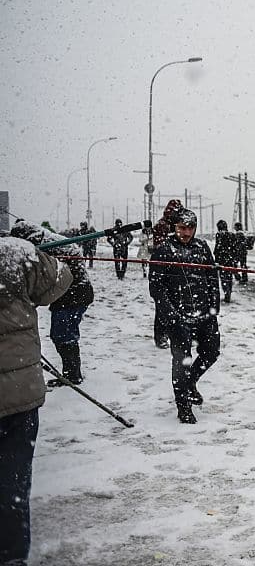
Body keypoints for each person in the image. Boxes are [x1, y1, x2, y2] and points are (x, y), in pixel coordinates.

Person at [0, 232, 72, 564]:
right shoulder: (14, 253)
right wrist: (28, 252)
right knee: (13, 482)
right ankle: (13, 554)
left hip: (19, 392)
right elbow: (61, 278)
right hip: (19, 391)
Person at [149, 209, 221, 424]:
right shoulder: (163, 251)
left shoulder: (202, 247)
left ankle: (190, 383)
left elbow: (211, 277)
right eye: (182, 228)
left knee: (211, 353)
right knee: (182, 362)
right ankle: (184, 406)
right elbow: (156, 287)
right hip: (178, 316)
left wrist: (213, 308)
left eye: (190, 228)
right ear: (174, 228)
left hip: (204, 314)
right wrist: (171, 315)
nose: (186, 232)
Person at [11, 221, 95, 386]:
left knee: (63, 334)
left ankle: (73, 375)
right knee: (62, 334)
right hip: (71, 294)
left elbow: (44, 276)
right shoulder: (46, 241)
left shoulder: (44, 246)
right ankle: (71, 373)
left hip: (73, 295)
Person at [151, 200, 183, 348]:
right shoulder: (162, 225)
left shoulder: (178, 225)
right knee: (162, 305)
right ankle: (161, 336)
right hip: (162, 270)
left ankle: (174, 334)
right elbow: (160, 248)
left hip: (177, 270)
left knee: (178, 304)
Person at [213, 219, 236, 303]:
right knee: (229, 277)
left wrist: (216, 258)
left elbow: (218, 248)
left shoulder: (219, 235)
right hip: (230, 259)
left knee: (223, 277)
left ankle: (227, 293)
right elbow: (234, 248)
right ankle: (229, 292)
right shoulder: (232, 235)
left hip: (222, 260)